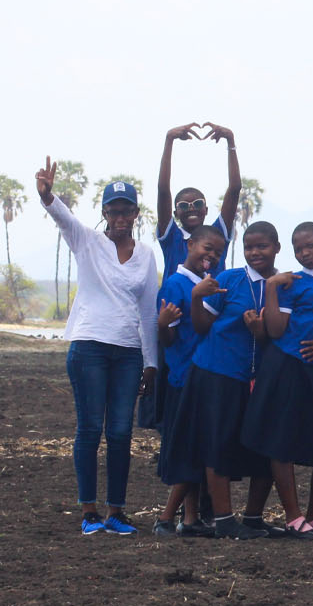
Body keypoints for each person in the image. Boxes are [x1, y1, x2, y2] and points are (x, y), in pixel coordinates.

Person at [38, 160, 161, 535]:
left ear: (136, 214)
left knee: (121, 432)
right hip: (89, 346)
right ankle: (89, 512)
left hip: (127, 352)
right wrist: (47, 196)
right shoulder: (87, 241)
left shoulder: (145, 255)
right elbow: (64, 218)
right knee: (90, 429)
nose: (120, 216)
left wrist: (151, 363)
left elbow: (148, 312)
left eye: (127, 209)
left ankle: (116, 512)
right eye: (114, 209)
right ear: (104, 212)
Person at [242, 221, 313, 539]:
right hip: (285, 366)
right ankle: (294, 517)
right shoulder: (293, 282)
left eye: (311, 246)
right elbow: (276, 330)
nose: (305, 253)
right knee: (281, 440)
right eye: (298, 249)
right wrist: (273, 287)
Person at [176, 221, 280, 539]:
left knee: (266, 447)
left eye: (261, 246)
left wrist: (260, 332)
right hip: (216, 372)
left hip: (259, 378)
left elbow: (281, 333)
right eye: (248, 247)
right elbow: (202, 326)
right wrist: (196, 298)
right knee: (217, 445)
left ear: (276, 247)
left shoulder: (284, 284)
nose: (254, 252)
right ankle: (223, 519)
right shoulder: (230, 279)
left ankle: (252, 517)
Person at [151, 225, 222, 537]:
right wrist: (162, 325)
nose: (212, 255)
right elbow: (168, 340)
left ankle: (190, 518)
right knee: (189, 451)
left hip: (207, 377)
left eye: (218, 252)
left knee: (196, 448)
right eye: (207, 248)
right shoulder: (176, 285)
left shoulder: (210, 285)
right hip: (185, 378)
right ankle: (166, 517)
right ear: (190, 244)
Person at [156, 122, 238, 281]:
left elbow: (234, 189)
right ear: (175, 213)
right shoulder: (172, 238)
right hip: (176, 305)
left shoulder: (217, 234)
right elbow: (163, 190)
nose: (191, 209)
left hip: (212, 305)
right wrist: (169, 140)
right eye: (184, 206)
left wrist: (230, 142)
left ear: (206, 210)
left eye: (198, 204)